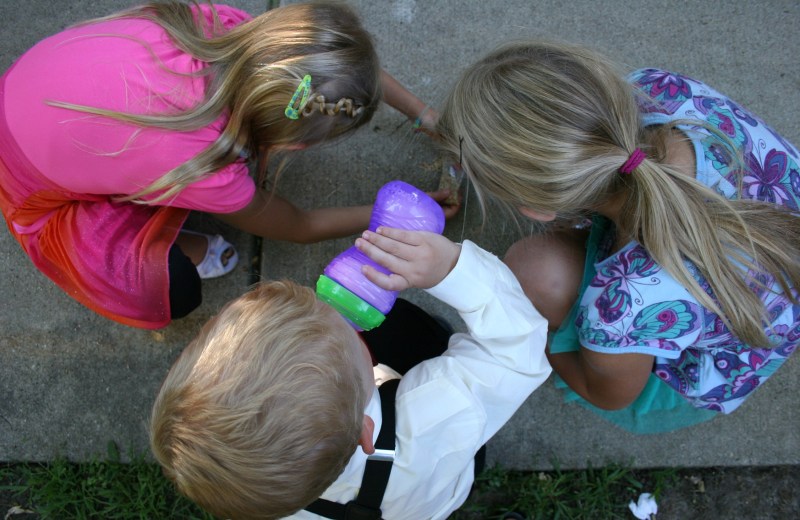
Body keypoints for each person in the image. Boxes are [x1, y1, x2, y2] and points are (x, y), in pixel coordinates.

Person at [0, 1, 451, 329]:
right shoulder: (207, 163)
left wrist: (422, 113)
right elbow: (297, 224)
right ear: (290, 144)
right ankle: (185, 246)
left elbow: (339, 67)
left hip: (21, 89)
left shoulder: (225, 27)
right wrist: (387, 225)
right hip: (28, 182)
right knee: (166, 287)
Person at [437, 40, 800, 433]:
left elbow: (610, 394)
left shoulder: (622, 306)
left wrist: (531, 336)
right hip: (777, 272)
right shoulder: (659, 89)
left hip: (728, 363)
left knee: (533, 270)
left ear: (539, 210)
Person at [149, 225, 551, 520]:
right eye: (352, 336)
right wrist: (452, 269)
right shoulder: (438, 414)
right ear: (365, 430)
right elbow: (516, 349)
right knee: (407, 330)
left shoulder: (256, 490)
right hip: (441, 475)